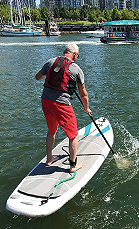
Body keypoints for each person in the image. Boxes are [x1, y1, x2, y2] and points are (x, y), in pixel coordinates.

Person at [35, 43, 92, 173]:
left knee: (52, 130)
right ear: (75, 54)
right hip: (61, 104)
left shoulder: (50, 62)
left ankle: (49, 159)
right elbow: (83, 94)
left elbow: (38, 77)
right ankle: (73, 166)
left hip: (45, 101)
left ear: (64, 51)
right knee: (73, 135)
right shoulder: (76, 69)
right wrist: (86, 108)